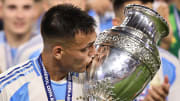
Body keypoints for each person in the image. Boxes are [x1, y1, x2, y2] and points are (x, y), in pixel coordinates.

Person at [0, 4, 169, 101]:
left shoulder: (96, 78)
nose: (94, 53)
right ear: (58, 52)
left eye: (94, 45)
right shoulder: (10, 88)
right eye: (85, 49)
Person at [112, 0, 179, 101]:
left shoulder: (171, 64)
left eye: (150, 20)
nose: (144, 27)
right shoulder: (99, 63)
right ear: (117, 24)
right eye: (136, 20)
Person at [0, 0, 43, 72]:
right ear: (1, 10)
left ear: (36, 11)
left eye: (26, 7)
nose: (20, 16)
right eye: (12, 7)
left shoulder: (47, 49)